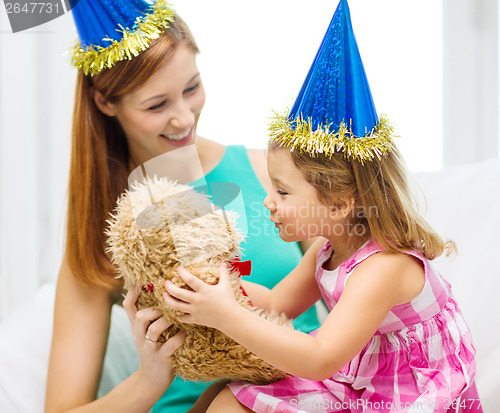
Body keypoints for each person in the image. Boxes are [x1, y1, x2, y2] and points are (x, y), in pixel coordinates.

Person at [162, 1, 481, 412]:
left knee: (233, 403)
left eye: (283, 191)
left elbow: (320, 359)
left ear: (340, 204)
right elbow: (277, 305)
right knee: (222, 394)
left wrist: (225, 314)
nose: (268, 202)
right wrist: (213, 286)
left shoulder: (383, 267)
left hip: (407, 396)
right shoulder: (327, 249)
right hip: (358, 378)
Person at [44, 0, 319, 412]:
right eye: (156, 106)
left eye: (192, 88)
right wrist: (149, 380)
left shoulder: (270, 174)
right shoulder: (106, 229)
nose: (184, 117)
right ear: (105, 102)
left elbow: (357, 283)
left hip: (311, 397)